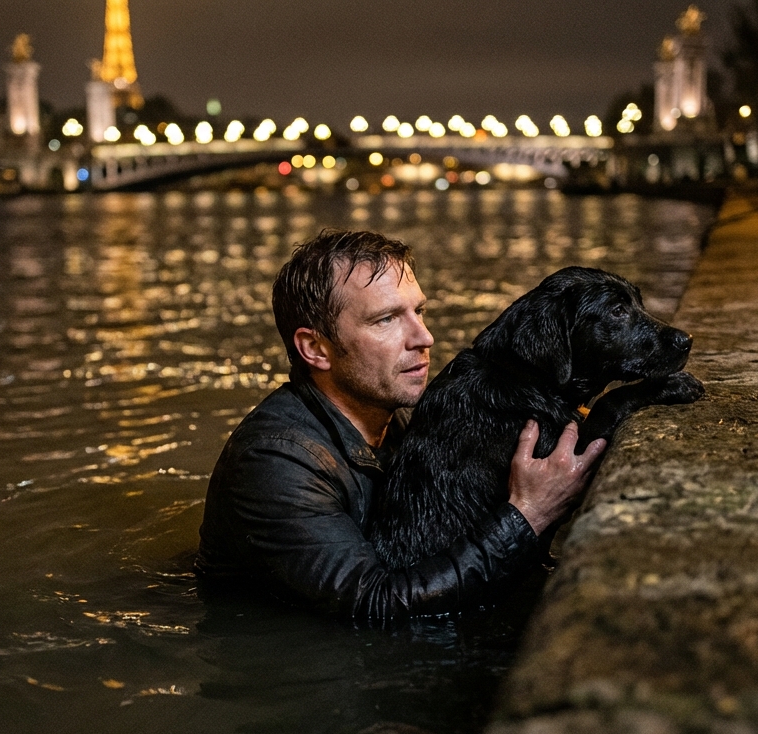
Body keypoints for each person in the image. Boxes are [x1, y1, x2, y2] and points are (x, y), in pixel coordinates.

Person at [196, 230, 606, 621]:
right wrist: (527, 515)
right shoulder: (276, 461)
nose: (424, 337)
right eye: (386, 320)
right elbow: (374, 602)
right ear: (315, 349)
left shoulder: (400, 414)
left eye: (419, 311)